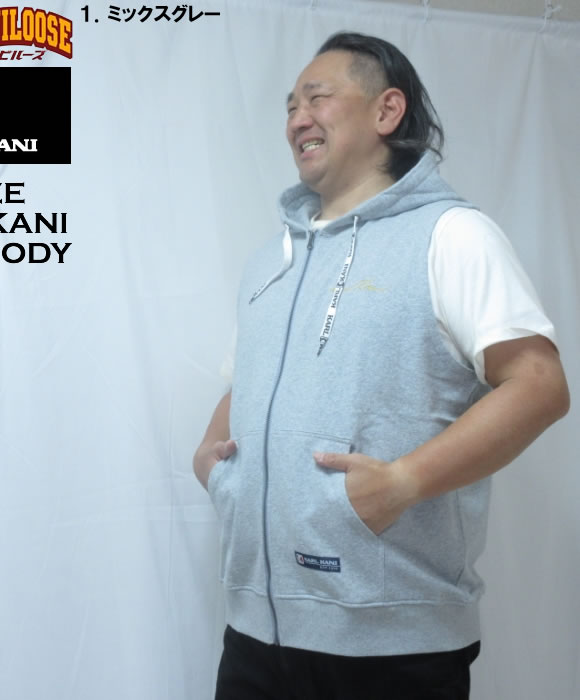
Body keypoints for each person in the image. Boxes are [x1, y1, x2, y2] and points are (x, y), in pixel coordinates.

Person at [193, 32, 569, 700]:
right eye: (290, 106)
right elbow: (244, 379)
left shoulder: (452, 234)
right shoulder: (272, 259)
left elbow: (539, 386)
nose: (297, 119)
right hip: (253, 635)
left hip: (394, 649)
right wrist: (213, 462)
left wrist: (402, 482)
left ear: (387, 111)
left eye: (317, 98)